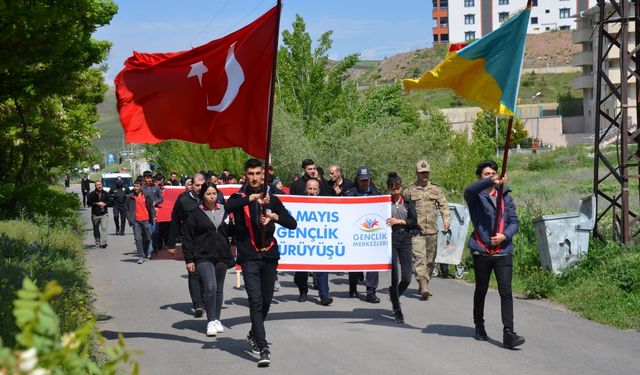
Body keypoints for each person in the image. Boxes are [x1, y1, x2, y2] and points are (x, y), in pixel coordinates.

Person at [226, 158, 297, 367]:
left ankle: (253, 333)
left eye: (258, 174)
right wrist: (252, 197)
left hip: (269, 255)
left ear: (263, 175)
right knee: (255, 301)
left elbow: (292, 224)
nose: (255, 177)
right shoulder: (240, 197)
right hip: (248, 256)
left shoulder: (272, 199)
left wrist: (274, 217)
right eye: (251, 174)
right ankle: (263, 346)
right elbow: (229, 206)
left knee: (266, 302)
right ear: (245, 175)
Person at [464, 160, 524, 349]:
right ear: (479, 177)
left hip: (503, 250)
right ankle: (479, 325)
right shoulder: (475, 196)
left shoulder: (504, 195)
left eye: (493, 173)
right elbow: (470, 190)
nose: (490, 177)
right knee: (481, 289)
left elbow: (514, 221)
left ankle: (509, 333)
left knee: (505, 291)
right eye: (486, 174)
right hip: (482, 251)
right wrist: (493, 181)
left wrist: (504, 235)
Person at [182, 183, 234, 337]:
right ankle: (210, 320)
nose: (212, 196)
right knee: (210, 286)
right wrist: (189, 259)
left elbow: (229, 232)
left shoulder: (224, 210)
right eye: (208, 194)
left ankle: (217, 319)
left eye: (214, 193)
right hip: (203, 255)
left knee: (218, 288)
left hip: (222, 255)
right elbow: (187, 237)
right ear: (202, 195)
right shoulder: (195, 213)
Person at [402, 160, 450, 299]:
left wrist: (446, 220)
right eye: (422, 173)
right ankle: (423, 285)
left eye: (426, 172)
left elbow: (444, 205)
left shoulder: (436, 189)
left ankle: (425, 282)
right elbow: (403, 209)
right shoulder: (409, 190)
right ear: (416, 173)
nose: (424, 175)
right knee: (419, 259)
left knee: (430, 260)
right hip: (417, 231)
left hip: (432, 231)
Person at [167, 173, 207, 318]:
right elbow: (175, 221)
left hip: (208, 242)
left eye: (202, 185)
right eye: (196, 185)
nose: (199, 188)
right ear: (191, 185)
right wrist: (171, 243)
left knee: (207, 272)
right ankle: (198, 304)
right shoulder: (183, 200)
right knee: (193, 272)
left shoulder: (210, 197)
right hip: (190, 241)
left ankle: (205, 299)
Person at [344, 166, 382, 303]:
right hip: (354, 234)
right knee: (355, 262)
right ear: (357, 180)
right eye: (362, 180)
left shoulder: (377, 195)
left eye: (366, 180)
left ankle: (371, 292)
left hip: (371, 234)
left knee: (373, 264)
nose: (364, 183)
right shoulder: (349, 194)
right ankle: (353, 286)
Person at [293, 179, 333, 306]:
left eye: (314, 189)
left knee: (322, 268)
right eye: (309, 189)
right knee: (301, 269)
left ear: (318, 191)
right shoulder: (298, 204)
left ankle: (324, 296)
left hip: (319, 240)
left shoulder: (325, 204)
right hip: (303, 240)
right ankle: (303, 292)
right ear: (306, 190)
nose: (312, 191)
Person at [385, 172, 418, 323]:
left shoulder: (408, 203)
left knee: (407, 277)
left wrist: (399, 221)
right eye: (392, 188)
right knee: (394, 275)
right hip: (390, 239)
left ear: (401, 187)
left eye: (397, 188)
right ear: (389, 188)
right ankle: (397, 310)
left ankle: (395, 295)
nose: (395, 191)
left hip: (405, 238)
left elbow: (413, 221)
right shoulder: (385, 203)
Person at [126, 180, 155, 264]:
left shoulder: (146, 195)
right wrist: (130, 219)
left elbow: (151, 207)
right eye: (134, 186)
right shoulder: (130, 196)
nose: (135, 188)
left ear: (141, 186)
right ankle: (141, 256)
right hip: (136, 221)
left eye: (137, 186)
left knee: (148, 237)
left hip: (146, 220)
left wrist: (153, 216)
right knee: (138, 239)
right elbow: (126, 209)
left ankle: (146, 253)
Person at [142, 170, 163, 259]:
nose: (150, 179)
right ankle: (148, 251)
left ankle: (154, 247)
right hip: (144, 214)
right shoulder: (141, 189)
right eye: (147, 178)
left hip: (154, 213)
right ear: (144, 178)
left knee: (155, 233)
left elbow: (161, 198)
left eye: (150, 177)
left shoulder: (156, 188)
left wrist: (156, 202)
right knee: (147, 233)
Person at [87, 181, 111, 248]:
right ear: (95, 186)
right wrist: (97, 203)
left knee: (104, 228)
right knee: (96, 228)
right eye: (97, 185)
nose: (99, 186)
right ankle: (97, 240)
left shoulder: (106, 193)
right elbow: (88, 203)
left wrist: (105, 204)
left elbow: (111, 202)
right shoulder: (92, 194)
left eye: (100, 184)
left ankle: (103, 243)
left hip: (104, 214)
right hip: (95, 214)